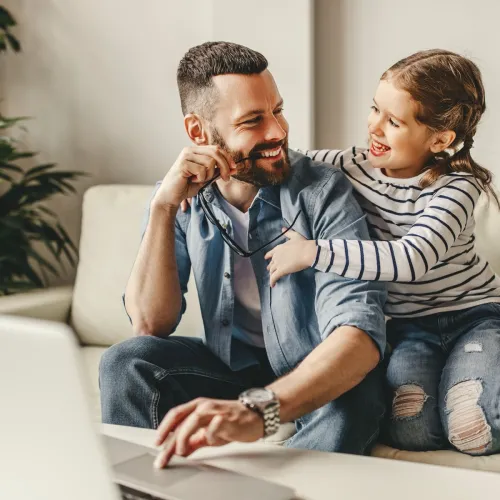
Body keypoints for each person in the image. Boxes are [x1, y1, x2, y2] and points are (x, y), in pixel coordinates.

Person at [99, 41, 387, 468]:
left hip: (316, 372)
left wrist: (260, 411)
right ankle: (153, 490)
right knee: (127, 361)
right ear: (198, 132)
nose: (277, 131)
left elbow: (358, 338)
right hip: (230, 369)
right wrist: (162, 208)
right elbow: (149, 323)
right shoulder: (179, 197)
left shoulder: (322, 191)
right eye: (253, 120)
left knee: (357, 394)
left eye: (278, 110)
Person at [265, 49, 500, 456]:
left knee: (471, 426)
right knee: (409, 429)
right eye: (375, 109)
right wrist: (198, 175)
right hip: (409, 330)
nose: (374, 126)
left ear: (440, 139)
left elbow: (411, 259)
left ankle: (475, 386)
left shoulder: (457, 187)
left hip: (473, 317)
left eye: (393, 122)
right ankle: (461, 390)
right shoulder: (352, 165)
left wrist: (313, 252)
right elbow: (287, 165)